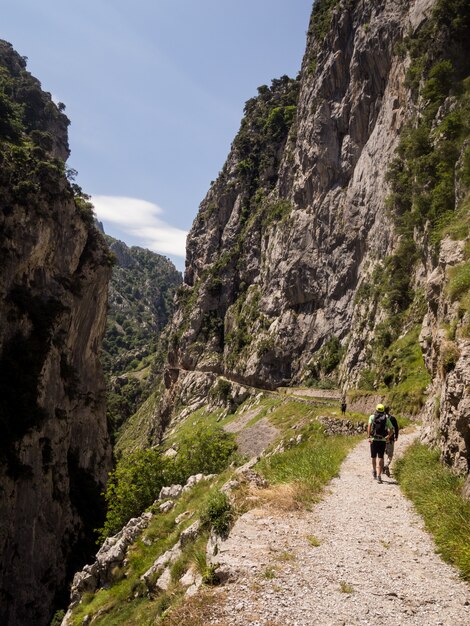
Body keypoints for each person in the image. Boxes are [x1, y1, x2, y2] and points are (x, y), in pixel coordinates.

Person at [367, 404, 394, 484]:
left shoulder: (372, 417)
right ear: (383, 410)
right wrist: (388, 437)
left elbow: (369, 427)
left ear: (376, 409)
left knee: (373, 457)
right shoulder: (386, 418)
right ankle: (379, 476)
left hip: (374, 439)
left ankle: (374, 471)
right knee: (381, 457)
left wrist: (369, 436)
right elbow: (392, 429)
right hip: (382, 440)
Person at [383, 406, 399, 477]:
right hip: (390, 438)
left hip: (382, 439)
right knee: (390, 455)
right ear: (389, 410)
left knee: (381, 454)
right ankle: (386, 465)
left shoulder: (381, 418)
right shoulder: (392, 418)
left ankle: (382, 467)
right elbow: (396, 428)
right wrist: (396, 436)